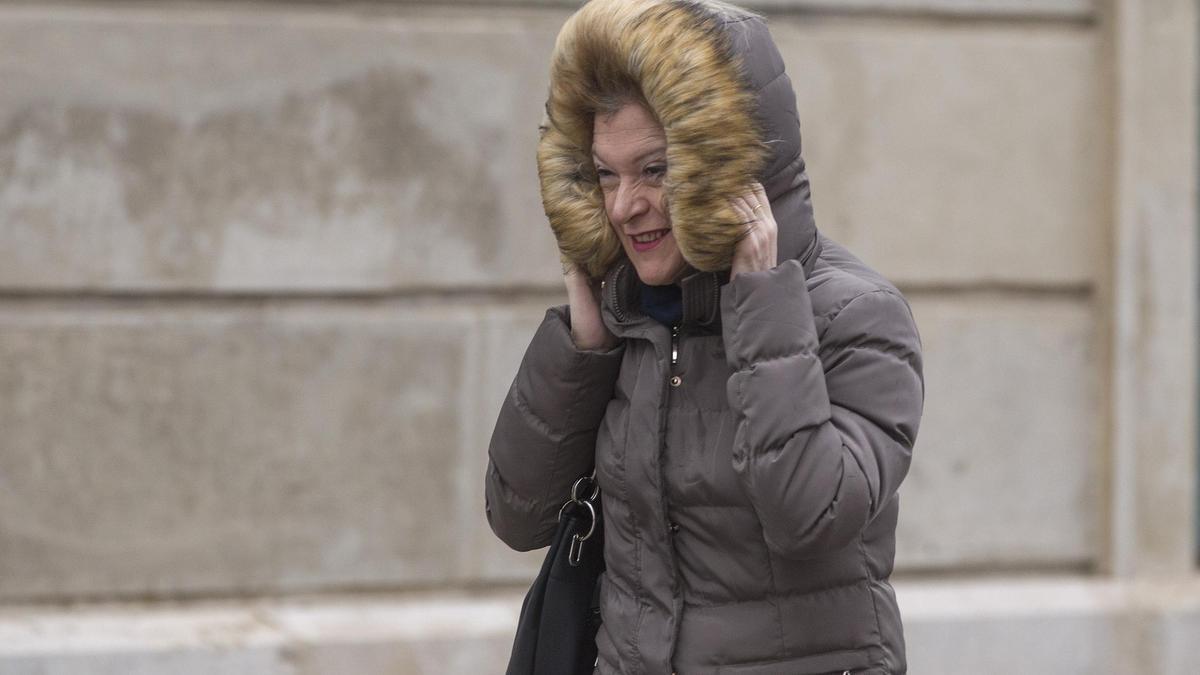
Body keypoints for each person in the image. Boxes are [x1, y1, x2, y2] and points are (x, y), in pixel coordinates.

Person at [485, 0, 925, 673]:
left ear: (731, 169)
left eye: (655, 170)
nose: (623, 205)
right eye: (605, 173)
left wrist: (764, 308)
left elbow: (810, 514)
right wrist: (583, 345)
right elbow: (516, 516)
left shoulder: (855, 315)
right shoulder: (629, 319)